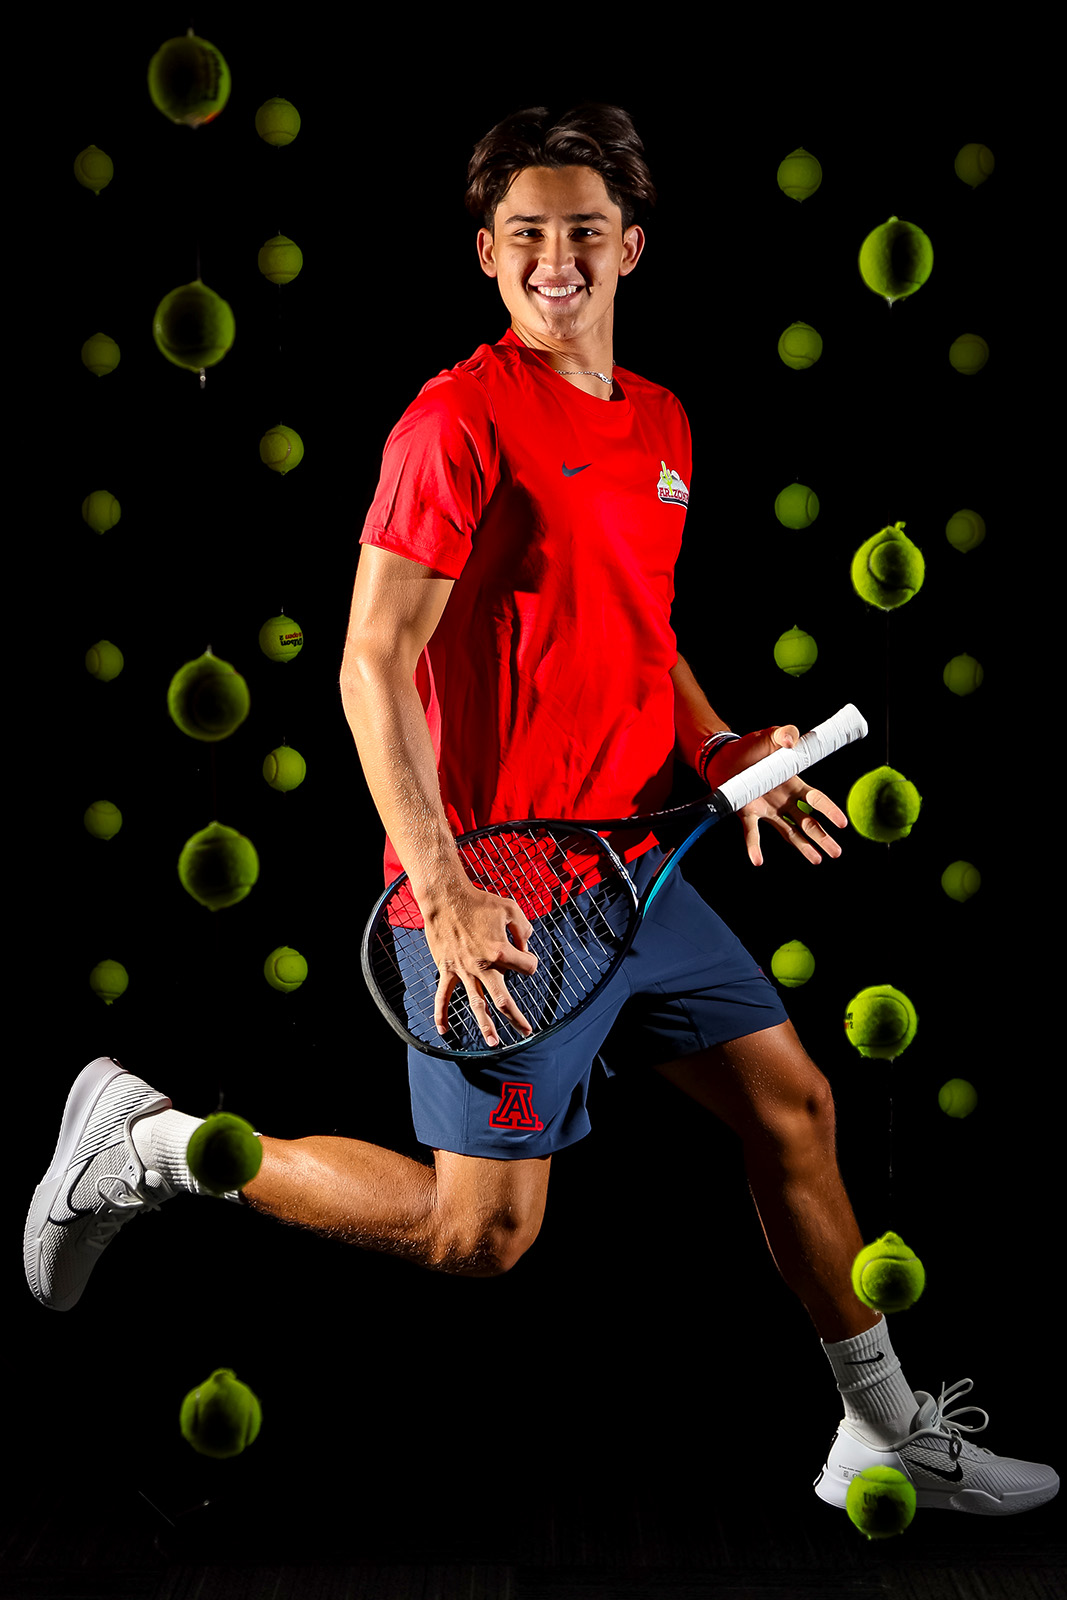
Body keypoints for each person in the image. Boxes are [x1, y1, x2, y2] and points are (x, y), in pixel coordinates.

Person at [25, 103, 1056, 1519]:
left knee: (797, 1110)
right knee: (481, 1235)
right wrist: (443, 887)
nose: (554, 258)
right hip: (497, 888)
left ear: (630, 247)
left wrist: (718, 748)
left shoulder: (664, 422)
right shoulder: (455, 423)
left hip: (633, 868)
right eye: (526, 234)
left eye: (583, 230)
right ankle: (145, 1142)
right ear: (487, 253)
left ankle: (882, 1432)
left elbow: (637, 629)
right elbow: (370, 661)